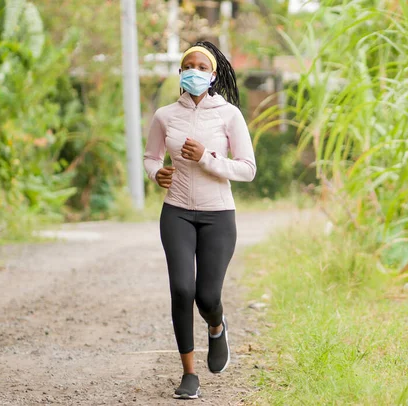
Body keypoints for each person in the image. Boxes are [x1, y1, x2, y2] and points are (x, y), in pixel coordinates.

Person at [143, 41, 256, 399]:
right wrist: (155, 174)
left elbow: (248, 169)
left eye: (202, 67)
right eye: (188, 65)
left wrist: (207, 158)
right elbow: (151, 157)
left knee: (207, 296)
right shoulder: (165, 115)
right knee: (182, 289)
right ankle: (189, 373)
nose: (195, 71)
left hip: (218, 215)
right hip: (175, 211)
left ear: (212, 75)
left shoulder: (229, 115)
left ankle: (217, 326)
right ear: (180, 73)